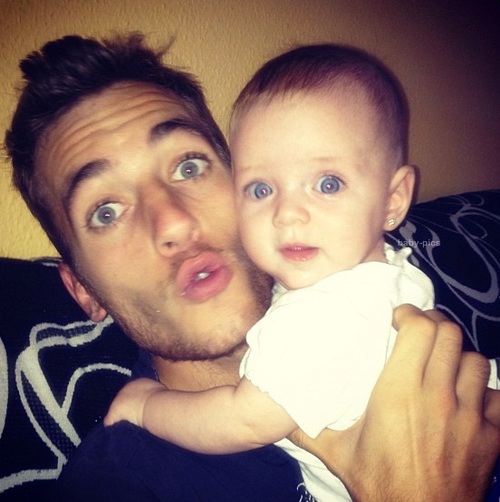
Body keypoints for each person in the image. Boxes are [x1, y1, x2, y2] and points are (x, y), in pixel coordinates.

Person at [5, 33, 500, 501]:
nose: (174, 221)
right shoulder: (122, 484)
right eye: (106, 211)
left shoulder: (365, 290)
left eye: (189, 167)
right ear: (83, 289)